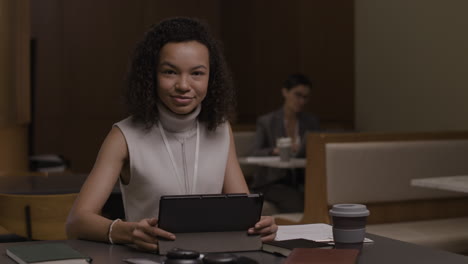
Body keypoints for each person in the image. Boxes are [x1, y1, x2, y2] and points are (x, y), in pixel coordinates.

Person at [66, 17, 277, 252]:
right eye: (170, 72)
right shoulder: (123, 136)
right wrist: (128, 231)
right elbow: (77, 222)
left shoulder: (221, 130)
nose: (183, 85)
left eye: (197, 73)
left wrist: (259, 226)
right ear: (151, 75)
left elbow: (241, 214)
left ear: (211, 78)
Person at [249, 73, 320, 213]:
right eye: (297, 95)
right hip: (272, 182)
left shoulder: (310, 122)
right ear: (285, 92)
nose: (301, 101)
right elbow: (254, 152)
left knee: (317, 194)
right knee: (295, 199)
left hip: (300, 180)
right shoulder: (267, 122)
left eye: (305, 97)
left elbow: (318, 151)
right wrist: (275, 151)